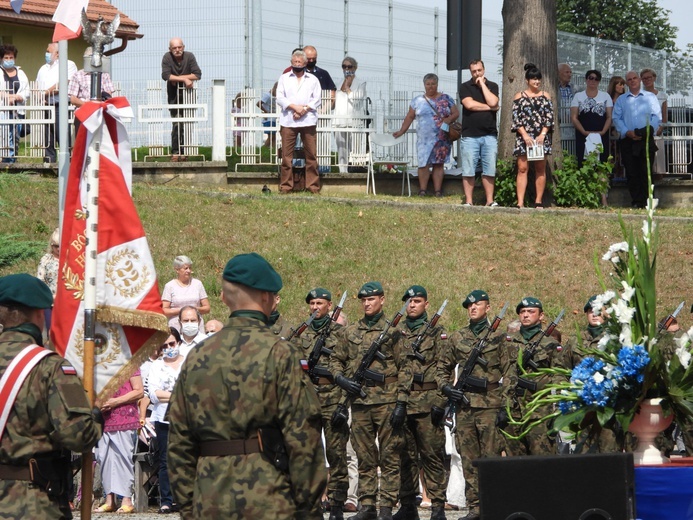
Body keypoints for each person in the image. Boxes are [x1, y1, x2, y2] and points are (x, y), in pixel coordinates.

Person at [167, 253, 327, 518]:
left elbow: (179, 441)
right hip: (268, 499)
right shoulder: (279, 353)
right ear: (267, 297)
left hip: (209, 499)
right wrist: (308, 508)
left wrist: (188, 507)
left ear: (223, 298)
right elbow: (303, 437)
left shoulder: (197, 356)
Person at [0, 273, 103, 518]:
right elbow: (77, 435)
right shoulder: (50, 368)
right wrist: (96, 418)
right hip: (31, 502)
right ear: (38, 314)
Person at [328, 282, 413, 520]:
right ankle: (367, 506)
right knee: (364, 455)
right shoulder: (350, 331)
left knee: (389, 455)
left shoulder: (394, 332)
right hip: (360, 403)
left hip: (387, 401)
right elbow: (335, 360)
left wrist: (401, 403)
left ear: (382, 300)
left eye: (372, 299)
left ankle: (386, 506)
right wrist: (341, 379)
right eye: (363, 300)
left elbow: (406, 367)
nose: (367, 303)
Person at [436, 290, 505, 520]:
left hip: (490, 405)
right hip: (465, 407)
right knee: (469, 459)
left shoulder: (498, 338)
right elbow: (441, 368)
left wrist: (505, 403)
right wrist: (447, 388)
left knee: (491, 458)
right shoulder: (458, 337)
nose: (473, 308)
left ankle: (494, 505)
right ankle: (475, 507)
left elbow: (512, 371)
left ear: (488, 307)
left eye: (478, 304)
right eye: (469, 305)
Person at [290, 288, 348, 520]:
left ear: (329, 305)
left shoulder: (340, 333)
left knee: (336, 455)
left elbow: (348, 368)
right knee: (308, 456)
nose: (315, 307)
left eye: (320, 303)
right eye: (312, 303)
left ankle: (336, 505)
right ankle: (311, 504)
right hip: (308, 398)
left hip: (333, 396)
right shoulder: (300, 334)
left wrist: (343, 403)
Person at [394, 285, 448, 520]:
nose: (412, 305)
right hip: (403, 403)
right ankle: (407, 505)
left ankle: (438, 506)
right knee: (404, 457)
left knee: (432, 456)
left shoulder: (437, 333)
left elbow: (445, 369)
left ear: (426, 304)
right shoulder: (396, 332)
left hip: (428, 403)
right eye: (409, 301)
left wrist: (441, 401)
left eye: (416, 301)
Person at [498, 297, 566, 457]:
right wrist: (502, 406)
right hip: (513, 410)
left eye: (531, 311)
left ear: (541, 316)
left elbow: (559, 376)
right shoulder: (508, 341)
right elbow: (502, 372)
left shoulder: (550, 344)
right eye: (522, 312)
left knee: (542, 460)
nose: (526, 315)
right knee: (515, 463)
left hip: (539, 411)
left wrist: (556, 410)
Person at [563, 296, 619, 454]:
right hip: (584, 408)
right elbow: (562, 367)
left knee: (609, 451)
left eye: (598, 311)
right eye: (589, 311)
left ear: (607, 313)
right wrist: (568, 393)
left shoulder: (616, 339)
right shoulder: (575, 341)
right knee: (584, 454)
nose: (594, 314)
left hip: (609, 408)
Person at [393, 73, 460, 198]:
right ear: (424, 85)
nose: (430, 87)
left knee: (438, 164)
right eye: (428, 84)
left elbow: (456, 113)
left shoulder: (446, 98)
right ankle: (422, 190)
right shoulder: (417, 101)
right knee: (423, 164)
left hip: (442, 138)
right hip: (424, 140)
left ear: (437, 84)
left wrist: (449, 119)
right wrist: (402, 130)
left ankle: (438, 191)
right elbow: (410, 117)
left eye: (433, 84)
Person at [146, 327, 185, 514]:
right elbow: (154, 394)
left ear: (178, 342)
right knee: (165, 460)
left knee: (186, 458)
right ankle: (166, 500)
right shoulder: (156, 366)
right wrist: (178, 394)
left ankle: (184, 498)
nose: (169, 347)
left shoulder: (189, 363)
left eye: (172, 343)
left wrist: (167, 394)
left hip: (187, 419)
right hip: (163, 419)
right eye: (165, 345)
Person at [93, 371, 143, 514]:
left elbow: (139, 391)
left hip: (124, 416)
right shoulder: (98, 365)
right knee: (103, 458)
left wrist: (115, 401)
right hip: (102, 418)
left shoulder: (131, 363)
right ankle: (109, 500)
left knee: (123, 457)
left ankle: (126, 499)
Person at [612, 70, 662, 208]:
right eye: (629, 79)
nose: (632, 81)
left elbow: (656, 116)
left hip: (645, 140)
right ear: (627, 82)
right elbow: (616, 118)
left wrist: (647, 131)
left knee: (646, 171)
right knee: (632, 172)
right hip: (628, 140)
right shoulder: (622, 100)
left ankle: (648, 201)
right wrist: (626, 132)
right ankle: (636, 201)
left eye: (635, 78)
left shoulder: (650, 97)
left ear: (639, 80)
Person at [276, 49, 323, 193]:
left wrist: (303, 110)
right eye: (295, 62)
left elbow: (317, 99)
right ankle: (286, 186)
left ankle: (313, 186)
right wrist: (295, 108)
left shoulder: (313, 79)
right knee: (286, 156)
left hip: (308, 121)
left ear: (304, 63)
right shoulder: (284, 78)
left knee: (311, 155)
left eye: (300, 62)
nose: (297, 64)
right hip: (288, 121)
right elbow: (280, 98)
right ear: (291, 63)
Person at [511, 63, 554, 208]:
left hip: (541, 137)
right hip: (524, 137)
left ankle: (538, 201)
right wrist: (524, 135)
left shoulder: (545, 96)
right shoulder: (519, 96)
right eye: (533, 79)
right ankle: (520, 202)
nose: (536, 82)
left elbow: (549, 118)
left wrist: (542, 134)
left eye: (538, 79)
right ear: (527, 80)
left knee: (540, 168)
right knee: (522, 168)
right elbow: (516, 119)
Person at [458, 59, 500, 206]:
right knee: (469, 169)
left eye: (479, 70)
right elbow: (469, 105)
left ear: (484, 70)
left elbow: (494, 101)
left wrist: (482, 85)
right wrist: (490, 107)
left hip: (489, 135)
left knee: (489, 169)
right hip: (470, 136)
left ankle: (489, 201)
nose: (477, 74)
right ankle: (469, 201)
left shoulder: (492, 86)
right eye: (474, 71)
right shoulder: (465, 87)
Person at [36, 42, 78, 163]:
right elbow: (37, 86)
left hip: (61, 106)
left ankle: (67, 163)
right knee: (47, 136)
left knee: (63, 135)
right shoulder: (43, 68)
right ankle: (49, 163)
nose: (46, 54)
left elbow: (63, 83)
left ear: (58, 53)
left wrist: (45, 92)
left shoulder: (68, 64)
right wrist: (40, 95)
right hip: (46, 105)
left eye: (49, 51)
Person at [161, 38, 201, 162]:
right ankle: (175, 151)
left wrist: (177, 78)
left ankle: (185, 151)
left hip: (189, 96)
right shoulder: (167, 57)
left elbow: (197, 74)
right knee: (177, 123)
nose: (177, 50)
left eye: (179, 47)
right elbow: (165, 76)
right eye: (174, 48)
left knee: (188, 123)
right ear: (170, 49)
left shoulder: (189, 56)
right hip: (174, 97)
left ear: (183, 47)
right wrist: (184, 79)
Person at [68, 47, 116, 136]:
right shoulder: (77, 75)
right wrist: (88, 106)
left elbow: (108, 95)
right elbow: (73, 99)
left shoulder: (104, 74)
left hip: (100, 113)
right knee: (82, 142)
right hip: (82, 114)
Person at [570, 70, 613, 167]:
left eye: (596, 79)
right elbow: (574, 117)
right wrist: (584, 132)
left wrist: (603, 132)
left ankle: (602, 182)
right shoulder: (578, 96)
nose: (593, 81)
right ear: (586, 79)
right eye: (591, 78)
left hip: (602, 135)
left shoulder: (605, 96)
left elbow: (609, 117)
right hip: (583, 135)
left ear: (599, 81)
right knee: (583, 163)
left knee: (602, 163)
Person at [335, 56, 367, 174]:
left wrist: (348, 88)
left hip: (355, 121)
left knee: (355, 149)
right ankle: (342, 173)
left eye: (349, 66)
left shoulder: (361, 83)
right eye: (344, 66)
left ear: (355, 68)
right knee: (342, 149)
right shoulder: (338, 82)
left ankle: (355, 172)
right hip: (339, 120)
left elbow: (357, 100)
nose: (347, 69)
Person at [161, 255, 210, 327]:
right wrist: (183, 310)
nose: (189, 271)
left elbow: (207, 308)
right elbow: (164, 310)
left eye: (190, 268)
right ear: (177, 270)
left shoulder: (197, 284)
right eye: (185, 268)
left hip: (196, 325)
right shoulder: (169, 286)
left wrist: (193, 310)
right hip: (176, 325)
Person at [0, 44, 29, 162]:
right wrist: (7, 96)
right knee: (6, 136)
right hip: (3, 110)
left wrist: (19, 96)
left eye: (11, 57)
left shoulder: (20, 72)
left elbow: (27, 90)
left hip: (18, 110)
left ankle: (13, 162)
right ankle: (6, 162)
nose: (9, 60)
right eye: (6, 58)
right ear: (1, 58)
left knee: (16, 136)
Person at [640, 68, 668, 174]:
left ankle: (657, 188)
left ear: (654, 78)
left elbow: (664, 116)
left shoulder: (662, 96)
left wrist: (660, 129)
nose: (647, 80)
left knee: (658, 166)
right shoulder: (639, 95)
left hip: (657, 133)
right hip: (643, 133)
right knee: (645, 166)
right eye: (644, 78)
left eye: (649, 77)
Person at [36, 227, 60, 331]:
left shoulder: (70, 259)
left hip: (66, 301)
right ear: (52, 245)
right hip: (50, 302)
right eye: (56, 246)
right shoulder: (46, 259)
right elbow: (40, 281)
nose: (58, 249)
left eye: (60, 246)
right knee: (51, 330)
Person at [607, 76, 627, 179]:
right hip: (610, 131)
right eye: (619, 84)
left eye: (623, 84)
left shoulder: (626, 100)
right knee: (611, 154)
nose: (621, 87)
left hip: (622, 131)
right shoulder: (608, 99)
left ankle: (621, 176)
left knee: (621, 155)